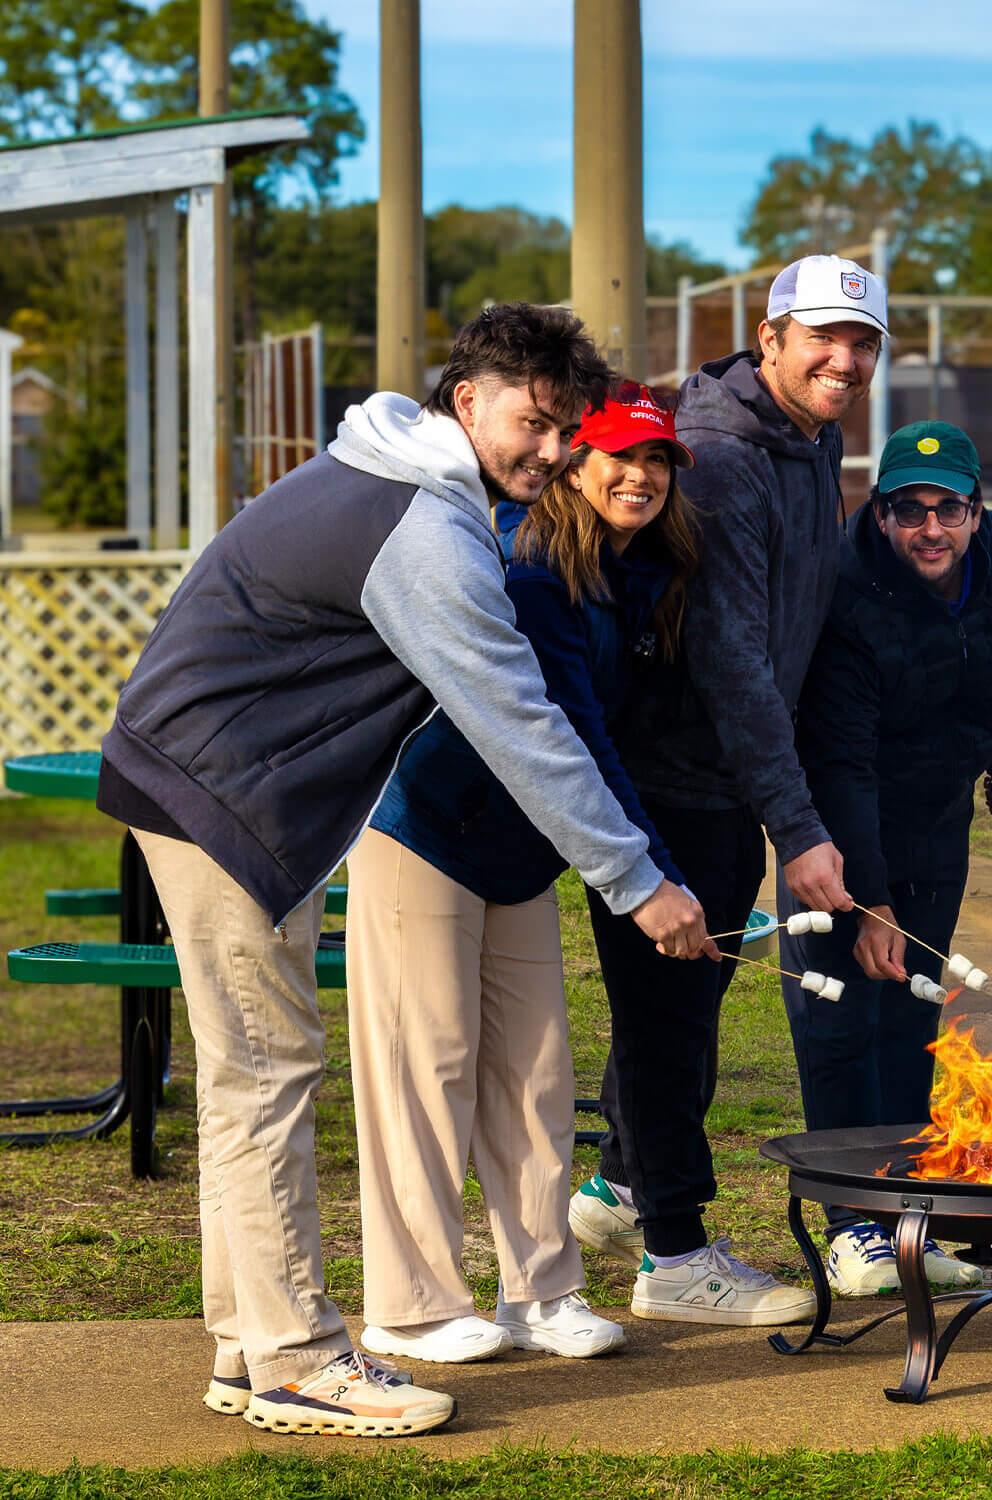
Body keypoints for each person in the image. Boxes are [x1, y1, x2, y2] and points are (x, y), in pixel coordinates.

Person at [95, 306, 709, 1437]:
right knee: (268, 1075)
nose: (551, 450)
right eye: (533, 422)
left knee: (248, 1078)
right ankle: (297, 1362)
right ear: (466, 401)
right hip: (218, 792)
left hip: (224, 788)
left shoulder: (402, 478)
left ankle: (246, 1344)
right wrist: (638, 882)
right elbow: (520, 722)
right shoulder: (424, 528)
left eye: (566, 429)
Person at [348, 384, 700, 1365]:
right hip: (427, 829)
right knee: (427, 1068)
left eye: (658, 461)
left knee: (537, 1076)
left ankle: (539, 1293)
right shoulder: (536, 570)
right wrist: (653, 880)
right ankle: (410, 1306)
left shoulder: (633, 577)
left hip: (521, 847)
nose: (641, 477)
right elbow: (575, 738)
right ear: (577, 467)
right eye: (620, 456)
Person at [566, 254, 886, 1325]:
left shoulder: (810, 437)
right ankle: (674, 1257)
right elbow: (732, 655)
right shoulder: (723, 459)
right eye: (823, 338)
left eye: (863, 343)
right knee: (667, 1020)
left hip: (723, 782)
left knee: (687, 1008)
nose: (845, 360)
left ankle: (623, 1187)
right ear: (770, 339)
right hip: (670, 779)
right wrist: (797, 824)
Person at [782, 420, 992, 1295]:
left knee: (911, 1010)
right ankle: (848, 1225)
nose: (930, 528)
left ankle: (904, 1212)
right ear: (880, 511)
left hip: (939, 809)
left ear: (977, 510)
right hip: (839, 820)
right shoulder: (843, 586)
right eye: (908, 510)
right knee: (840, 1021)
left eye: (949, 509)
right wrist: (870, 902)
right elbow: (840, 760)